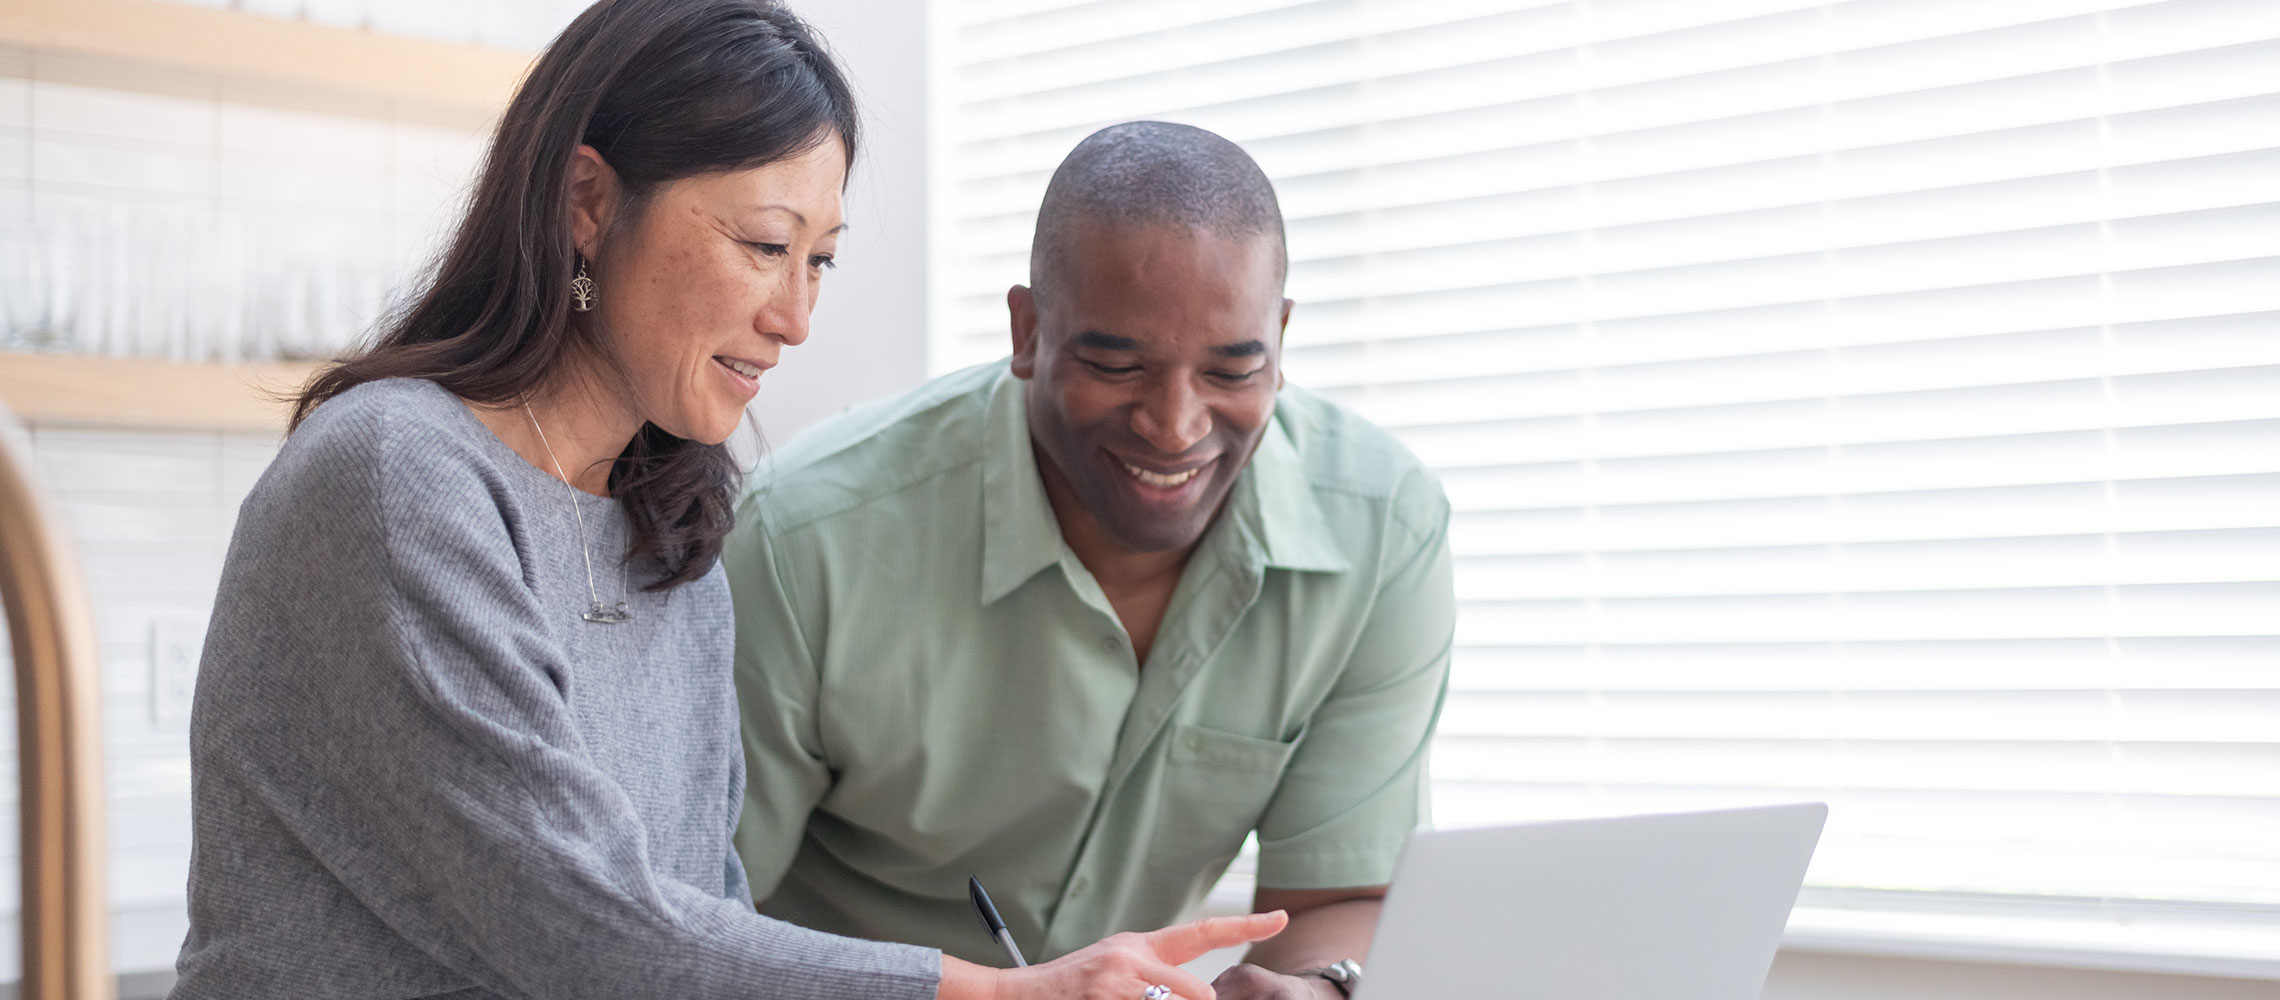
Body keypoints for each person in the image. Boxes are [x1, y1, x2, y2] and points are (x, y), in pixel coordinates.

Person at [170, 4, 1282, 999]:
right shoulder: (395, 476)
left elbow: (707, 920)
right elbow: (576, 928)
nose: (796, 315)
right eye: (763, 246)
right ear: (591, 204)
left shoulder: (673, 534)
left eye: (821, 262)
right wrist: (983, 993)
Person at [727, 121, 1455, 999]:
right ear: (1027, 331)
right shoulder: (802, 540)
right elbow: (687, 923)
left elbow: (1338, 895)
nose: (1176, 425)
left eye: (1231, 371)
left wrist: (1320, 986)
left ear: (1282, 340)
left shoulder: (1383, 532)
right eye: (1117, 363)